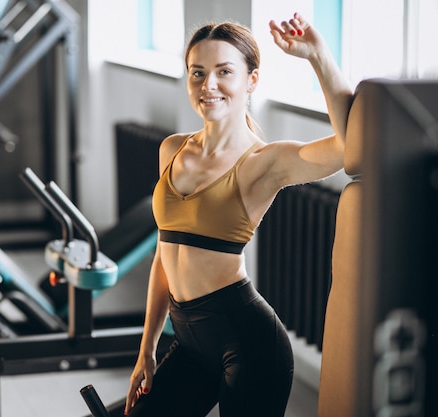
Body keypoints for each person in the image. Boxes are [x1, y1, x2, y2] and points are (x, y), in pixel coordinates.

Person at [124, 12, 353, 417]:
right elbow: (165, 253)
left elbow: (349, 147)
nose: (208, 85)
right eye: (197, 73)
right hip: (189, 340)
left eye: (223, 71)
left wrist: (318, 55)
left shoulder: (264, 162)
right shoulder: (172, 149)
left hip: (247, 341)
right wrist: (147, 348)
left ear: (251, 80)